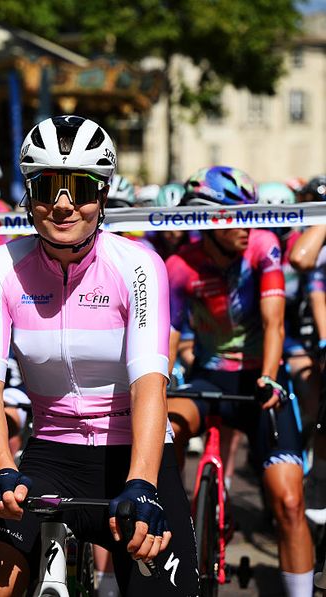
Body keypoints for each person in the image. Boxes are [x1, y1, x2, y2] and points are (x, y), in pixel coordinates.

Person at [0, 115, 198, 597]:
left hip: (134, 453)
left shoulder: (138, 265)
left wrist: (143, 483)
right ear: (29, 195)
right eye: (48, 187)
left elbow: (150, 384)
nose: (64, 204)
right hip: (50, 452)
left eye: (82, 188)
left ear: (103, 195)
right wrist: (1, 469)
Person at [166, 166, 315, 597]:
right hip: (208, 378)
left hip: (260, 379)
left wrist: (268, 376)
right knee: (165, 432)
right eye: (236, 217)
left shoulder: (262, 247)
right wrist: (160, 383)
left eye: (251, 215)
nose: (247, 226)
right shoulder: (180, 265)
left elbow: (274, 324)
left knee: (290, 503)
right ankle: (173, 524)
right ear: (207, 221)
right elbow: (168, 337)